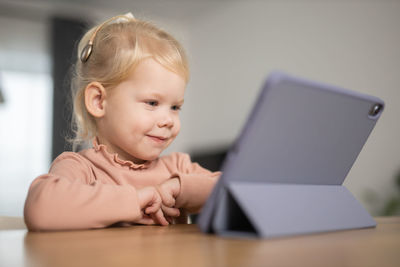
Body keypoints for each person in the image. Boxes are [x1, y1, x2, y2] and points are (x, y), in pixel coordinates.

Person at [24, 13, 220, 231]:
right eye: (152, 102)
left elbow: (233, 190)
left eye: (175, 107)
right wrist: (135, 200)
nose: (168, 120)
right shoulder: (81, 168)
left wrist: (181, 188)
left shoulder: (178, 168)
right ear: (98, 101)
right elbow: (40, 208)